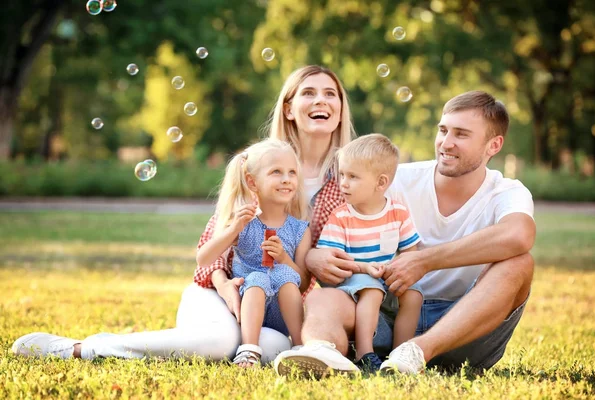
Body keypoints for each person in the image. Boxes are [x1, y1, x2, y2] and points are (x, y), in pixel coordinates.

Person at [12, 65, 359, 364]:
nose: (320, 101)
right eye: (309, 93)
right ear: (288, 109)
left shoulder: (351, 185)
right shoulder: (259, 164)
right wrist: (225, 286)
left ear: (341, 110)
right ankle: (83, 348)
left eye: (331, 94)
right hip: (220, 293)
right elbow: (210, 252)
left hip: (279, 312)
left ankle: (245, 345)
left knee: (277, 347)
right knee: (220, 342)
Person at [274, 90, 536, 377]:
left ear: (493, 145)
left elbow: (518, 236)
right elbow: (341, 223)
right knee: (322, 299)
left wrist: (425, 261)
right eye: (443, 130)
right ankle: (323, 351)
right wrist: (314, 256)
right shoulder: (396, 179)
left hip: (465, 328)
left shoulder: (507, 192)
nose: (446, 143)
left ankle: (416, 351)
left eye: (461, 134)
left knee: (520, 262)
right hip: (384, 318)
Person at [196, 139, 311, 367]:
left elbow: (303, 283)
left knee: (285, 276)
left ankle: (300, 348)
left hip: (281, 314)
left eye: (292, 172)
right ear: (252, 182)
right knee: (257, 277)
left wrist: (283, 258)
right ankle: (248, 350)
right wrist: (234, 229)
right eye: (276, 172)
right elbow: (203, 259)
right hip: (245, 307)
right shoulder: (243, 221)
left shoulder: (299, 229)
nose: (286, 179)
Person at [316, 134, 423, 373]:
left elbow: (410, 251)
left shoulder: (397, 212)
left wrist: (396, 268)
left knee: (414, 295)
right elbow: (334, 259)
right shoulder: (341, 217)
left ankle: (399, 353)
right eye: (342, 174)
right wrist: (365, 268)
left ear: (381, 183)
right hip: (354, 278)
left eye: (352, 177)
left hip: (385, 275)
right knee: (372, 290)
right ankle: (366, 353)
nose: (343, 183)